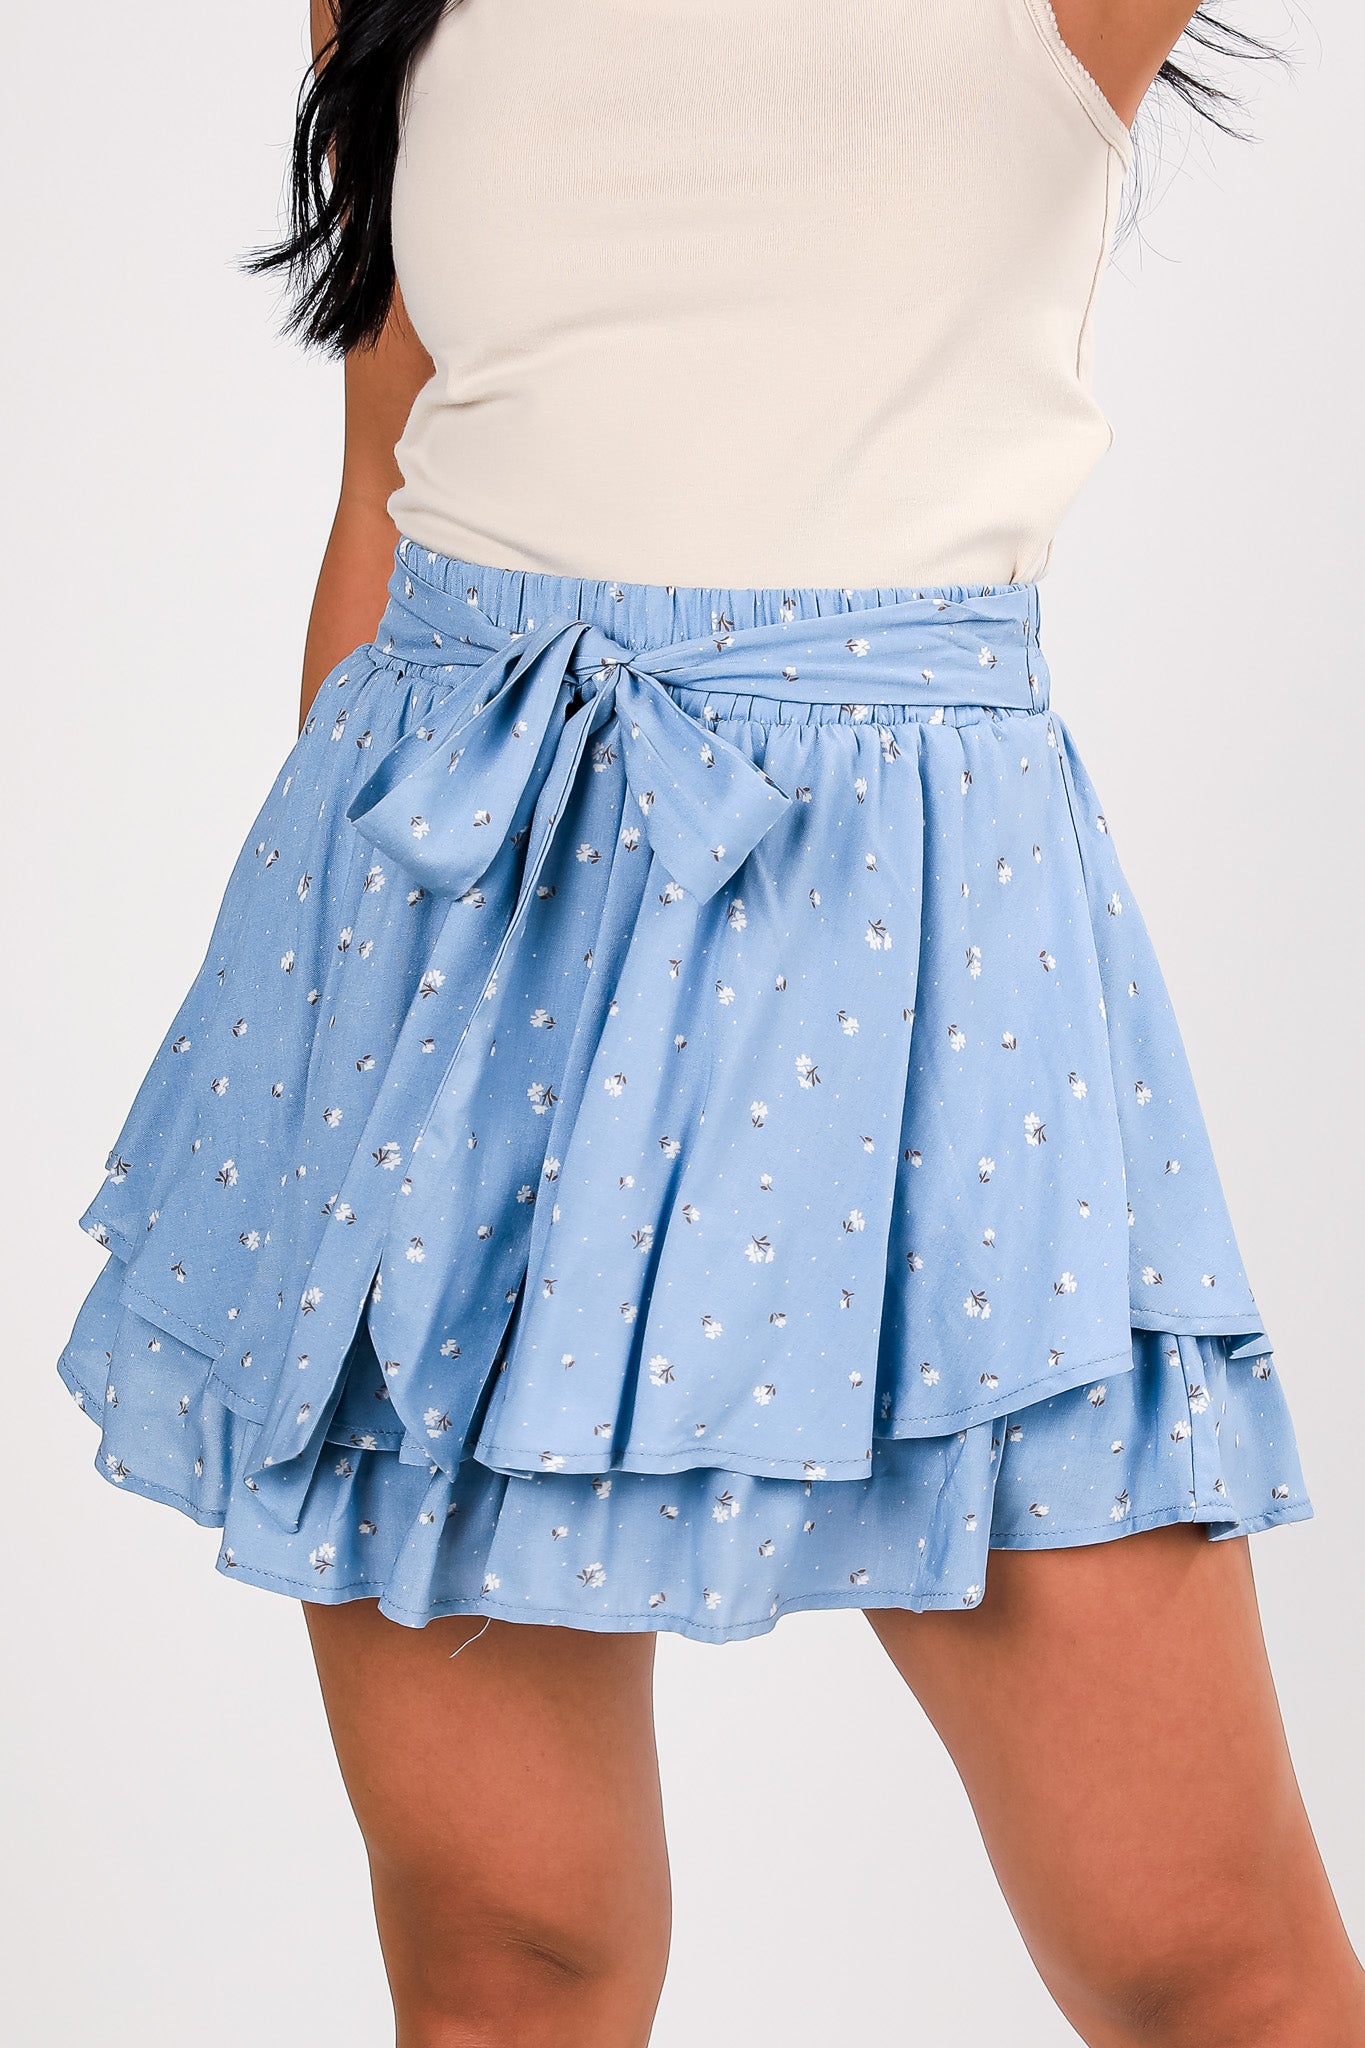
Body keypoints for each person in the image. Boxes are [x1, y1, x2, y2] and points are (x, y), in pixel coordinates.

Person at [58, 3, 1365, 2042]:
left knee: (1211, 1970)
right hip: (455, 919)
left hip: (916, 944)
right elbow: (386, 468)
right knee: (505, 1961)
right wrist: (344, 1047)